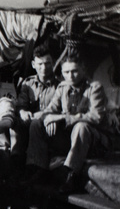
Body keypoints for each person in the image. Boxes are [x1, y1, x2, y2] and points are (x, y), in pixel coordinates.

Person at [24, 55, 109, 193]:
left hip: (95, 141)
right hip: (72, 140)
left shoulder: (94, 88)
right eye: (66, 72)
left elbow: (96, 117)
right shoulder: (63, 88)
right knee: (36, 124)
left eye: (74, 71)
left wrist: (63, 118)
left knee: (81, 126)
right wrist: (47, 118)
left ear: (83, 69)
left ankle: (69, 175)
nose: (71, 76)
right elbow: (50, 110)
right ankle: (37, 169)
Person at [11, 45, 59, 163]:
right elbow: (21, 105)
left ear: (53, 63)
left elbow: (63, 107)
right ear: (33, 64)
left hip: (52, 125)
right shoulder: (28, 84)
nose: (44, 68)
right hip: (32, 124)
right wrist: (23, 112)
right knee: (14, 121)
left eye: (47, 63)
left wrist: (50, 117)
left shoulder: (60, 85)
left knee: (35, 123)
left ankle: (34, 167)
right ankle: (15, 159)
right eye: (40, 64)